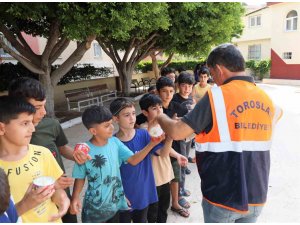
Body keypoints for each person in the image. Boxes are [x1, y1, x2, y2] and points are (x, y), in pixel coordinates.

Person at [157, 43, 283, 223]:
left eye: (212, 74)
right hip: (257, 195)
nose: (212, 80)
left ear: (218, 69)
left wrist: (160, 116)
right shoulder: (266, 99)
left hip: (223, 197)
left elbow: (177, 132)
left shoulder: (217, 96)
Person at [8, 77, 89, 222]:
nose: (44, 112)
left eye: (44, 106)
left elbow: (62, 148)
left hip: (60, 191)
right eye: (37, 107)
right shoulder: (9, 142)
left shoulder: (51, 125)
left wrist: (76, 155)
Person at [70, 105, 164, 223]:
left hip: (115, 205)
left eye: (111, 123)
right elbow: (80, 177)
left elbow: (133, 160)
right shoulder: (84, 151)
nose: (111, 127)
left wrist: (152, 144)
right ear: (93, 131)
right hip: (94, 209)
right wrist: (75, 198)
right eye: (106, 125)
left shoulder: (115, 142)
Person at [0, 96, 70, 222]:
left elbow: (55, 189)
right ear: (2, 128)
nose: (32, 129)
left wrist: (63, 199)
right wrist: (26, 204)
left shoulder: (42, 153)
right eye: (25, 123)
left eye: (32, 122)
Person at [110, 98, 167, 223]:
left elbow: (163, 153)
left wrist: (170, 137)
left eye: (133, 113)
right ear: (115, 119)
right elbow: (111, 173)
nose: (132, 118)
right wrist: (120, 194)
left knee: (141, 220)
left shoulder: (144, 134)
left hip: (143, 193)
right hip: (123, 196)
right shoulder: (112, 143)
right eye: (126, 115)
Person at [139, 93, 188, 222]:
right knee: (153, 212)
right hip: (153, 179)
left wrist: (177, 155)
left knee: (164, 208)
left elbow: (166, 148)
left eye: (160, 107)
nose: (159, 111)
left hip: (165, 175)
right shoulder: (144, 131)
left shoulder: (161, 127)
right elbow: (163, 152)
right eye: (154, 108)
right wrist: (170, 136)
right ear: (145, 112)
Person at [156, 76, 190, 217]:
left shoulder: (178, 107)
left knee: (175, 177)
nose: (168, 95)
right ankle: (157, 204)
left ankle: (175, 203)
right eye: (164, 91)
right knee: (160, 179)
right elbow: (139, 122)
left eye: (171, 91)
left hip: (175, 147)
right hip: (157, 151)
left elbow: (189, 124)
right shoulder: (154, 109)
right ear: (158, 93)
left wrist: (178, 124)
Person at [172, 72, 195, 188]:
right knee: (180, 162)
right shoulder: (174, 100)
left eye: (190, 86)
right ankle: (179, 190)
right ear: (178, 85)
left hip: (189, 135)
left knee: (184, 161)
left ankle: (182, 187)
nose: (187, 89)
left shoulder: (191, 99)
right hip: (178, 136)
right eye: (184, 85)